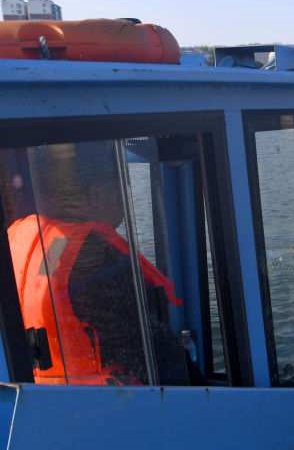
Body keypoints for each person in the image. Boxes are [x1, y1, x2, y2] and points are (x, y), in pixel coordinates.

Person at [6, 143, 190, 386]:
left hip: (40, 396)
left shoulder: (18, 238)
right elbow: (161, 360)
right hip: (106, 403)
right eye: (120, 185)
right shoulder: (99, 260)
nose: (125, 194)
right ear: (95, 194)